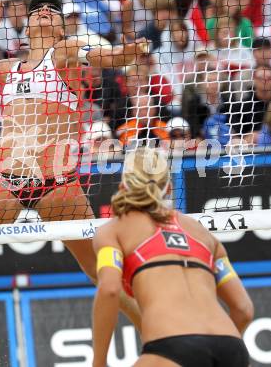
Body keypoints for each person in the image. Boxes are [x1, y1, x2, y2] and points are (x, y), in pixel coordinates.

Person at [0, 0, 149, 328]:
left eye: (52, 10)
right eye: (36, 10)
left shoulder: (65, 51)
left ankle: (156, 329)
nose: (44, 10)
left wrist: (127, 52)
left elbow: (109, 57)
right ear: (26, 26)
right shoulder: (8, 69)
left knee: (101, 273)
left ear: (61, 28)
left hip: (59, 183)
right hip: (7, 179)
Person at [92, 147, 253, 367]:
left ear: (122, 186)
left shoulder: (113, 231)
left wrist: (98, 362)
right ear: (168, 187)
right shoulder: (201, 233)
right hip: (230, 348)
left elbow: (109, 290)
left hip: (173, 347)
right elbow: (243, 309)